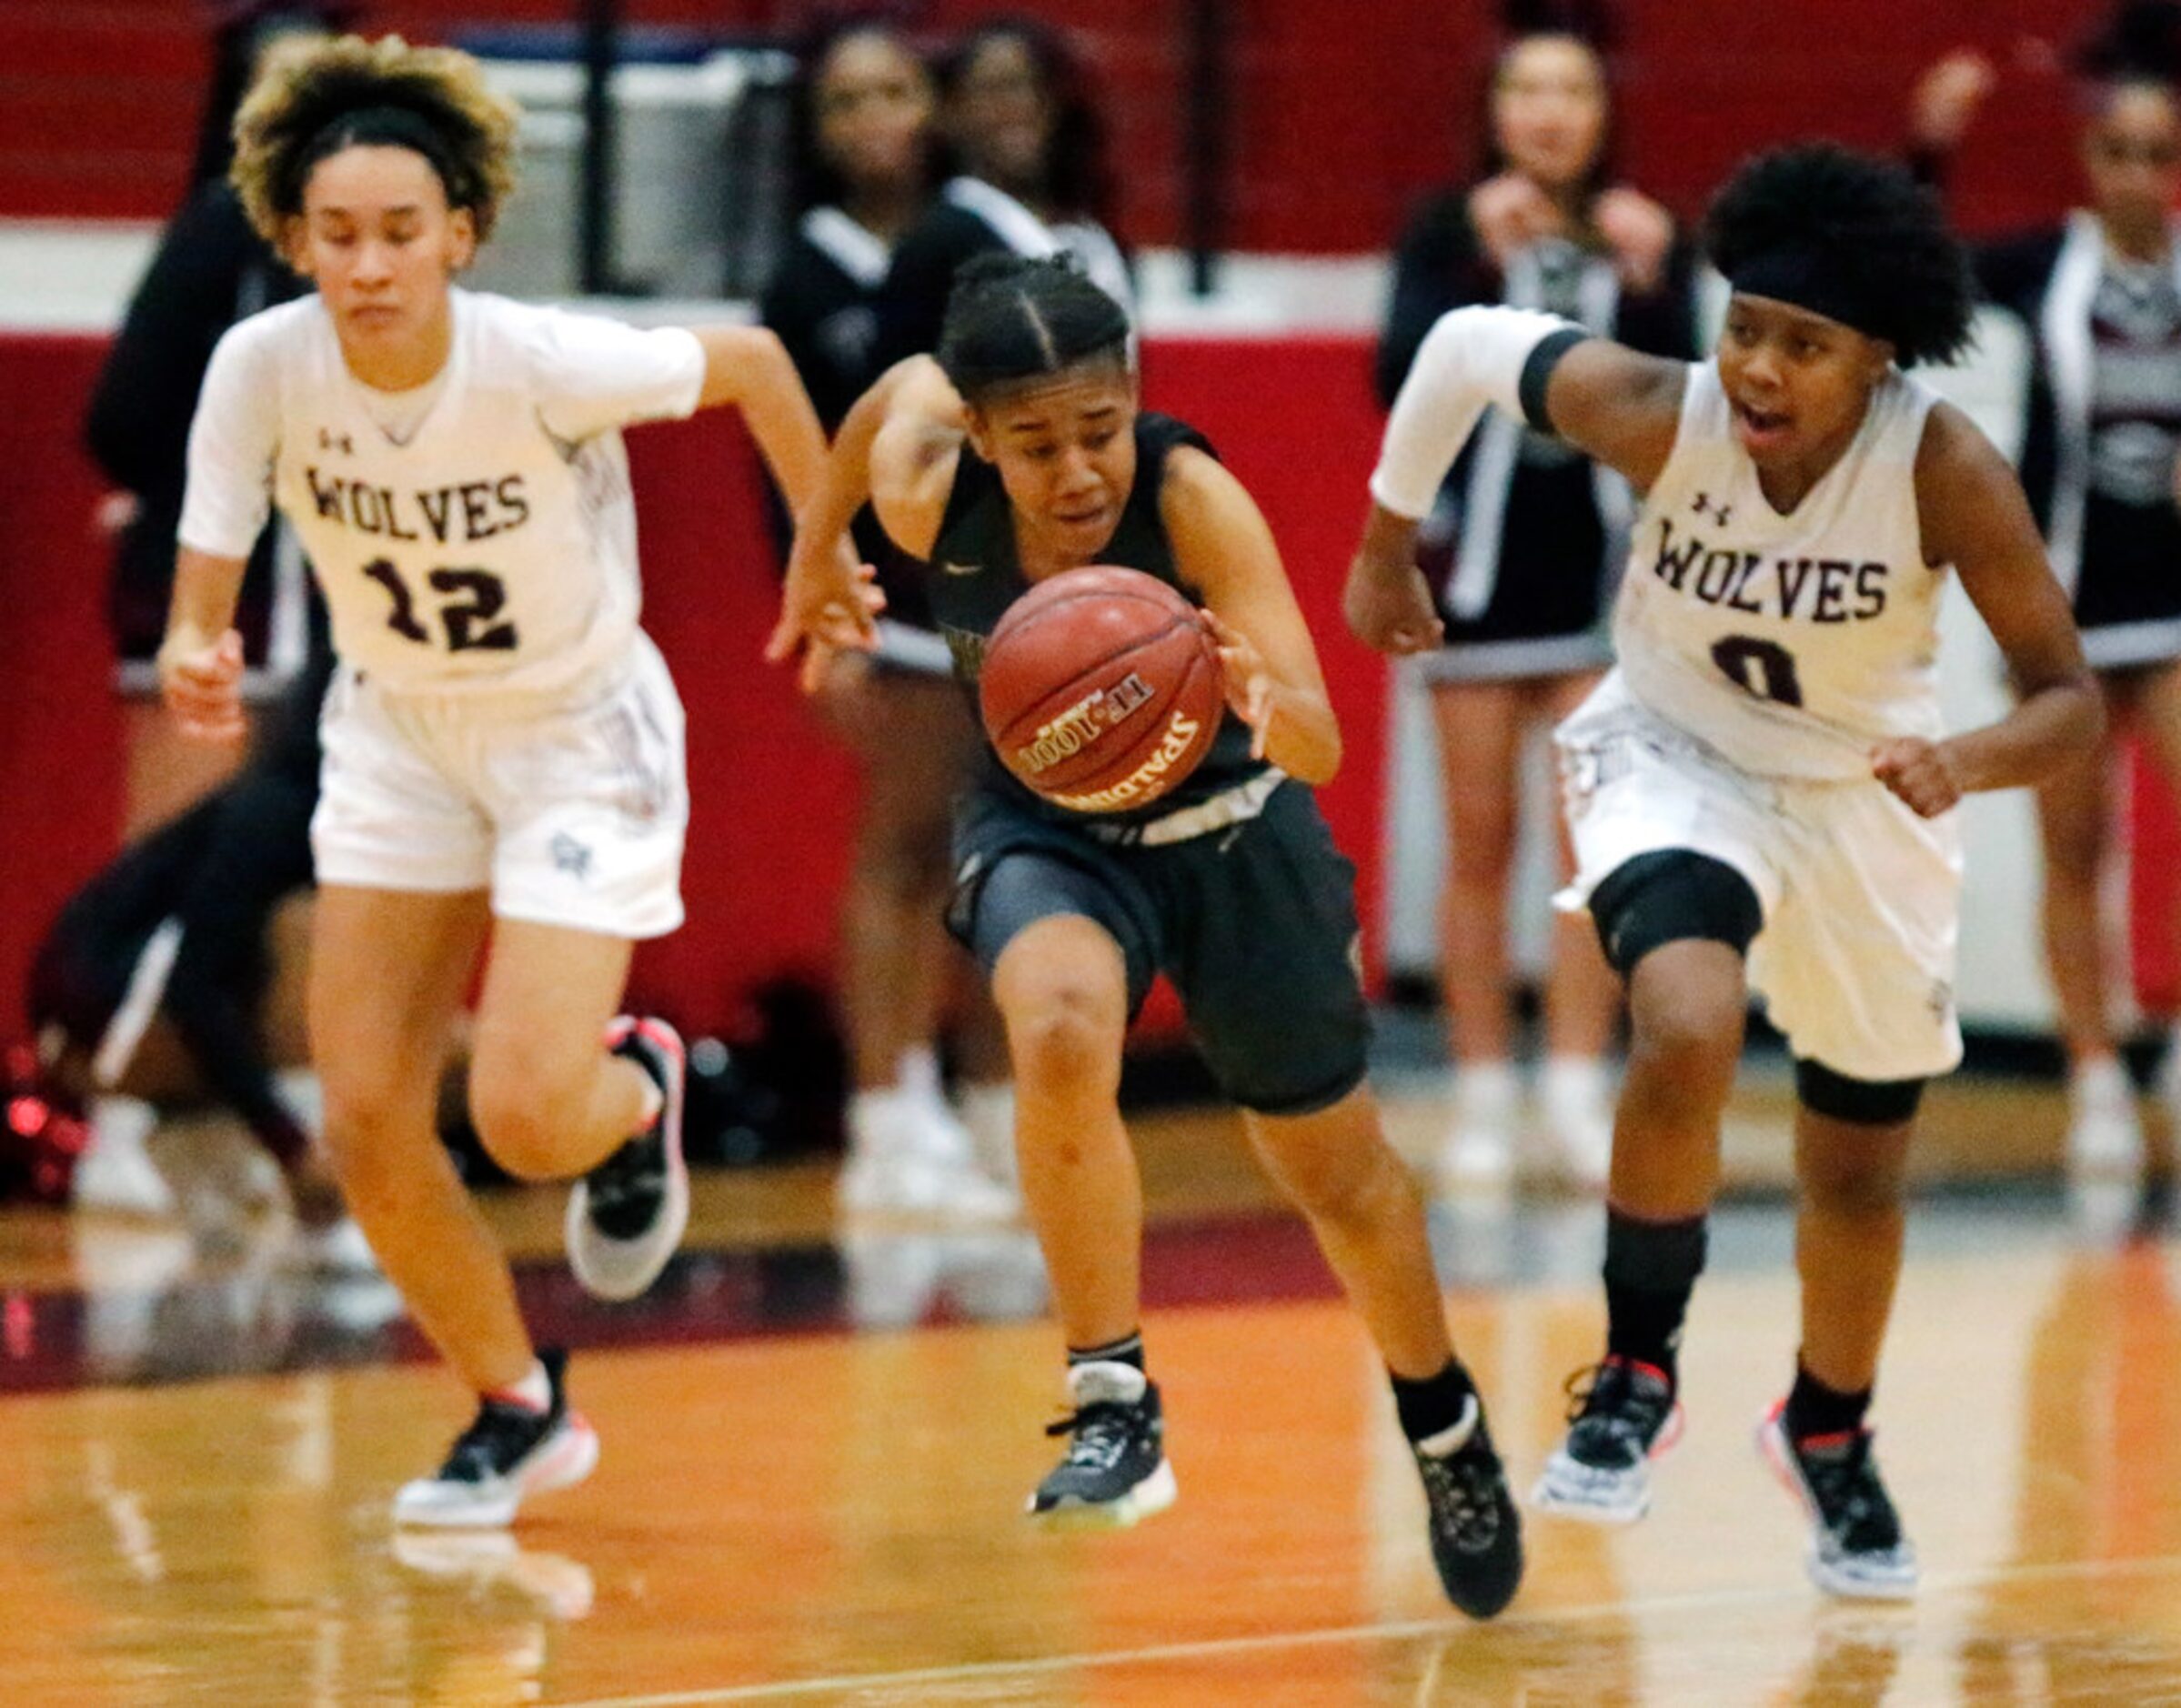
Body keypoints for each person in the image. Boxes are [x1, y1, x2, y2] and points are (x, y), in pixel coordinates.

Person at [1345, 145, 2101, 1599]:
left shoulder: (1943, 466)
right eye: (1742, 325)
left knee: (1858, 1171)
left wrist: (1973, 759)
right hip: (1671, 755)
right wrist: (1386, 545)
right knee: (1684, 1016)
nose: (1755, 367)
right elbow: (1455, 345)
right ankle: (1635, 1364)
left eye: (1800, 346)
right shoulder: (1656, 409)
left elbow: (2065, 693)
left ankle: (1825, 1427)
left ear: (1876, 361)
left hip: (1867, 795)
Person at [157, 32, 845, 1526]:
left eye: (402, 230)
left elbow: (753, 361)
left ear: (459, 231)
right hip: (399, 734)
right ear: (292, 236)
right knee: (363, 1113)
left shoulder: (532, 355)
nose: (370, 262)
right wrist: (196, 643)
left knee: (530, 1115)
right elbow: (206, 554)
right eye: (337, 234)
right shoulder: (260, 367)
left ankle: (635, 1083)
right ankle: (516, 1402)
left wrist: (816, 532)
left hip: (572, 734)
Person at [774, 253, 1523, 1620]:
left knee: (1339, 1176)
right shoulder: (930, 482)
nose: (1074, 473)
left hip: (1235, 828)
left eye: (1097, 430)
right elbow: (891, 389)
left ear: (1133, 400)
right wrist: (817, 545)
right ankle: (1109, 1390)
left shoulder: (1189, 498)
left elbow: (1319, 730)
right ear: (984, 434)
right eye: (1039, 443)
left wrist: (1259, 696)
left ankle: (1442, 1423)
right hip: (1047, 821)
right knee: (1055, 1021)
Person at [1375, 13, 1699, 1191]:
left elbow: (1686, 408)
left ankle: (1571, 1087)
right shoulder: (1441, 228)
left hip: (1596, 583)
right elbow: (1392, 380)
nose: (1550, 112)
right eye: (1527, 90)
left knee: (1591, 848)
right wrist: (1464, 255)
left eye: (1571, 90)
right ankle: (1477, 1093)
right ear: (1495, 110)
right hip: (1475, 583)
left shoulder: (1643, 232)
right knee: (1476, 842)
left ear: (1601, 112)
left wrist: (1659, 283)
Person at [1907, 4, 2181, 1178]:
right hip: (2060, 606)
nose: (2134, 174)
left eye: (2157, 155)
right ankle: (2092, 1072)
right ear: (2087, 160)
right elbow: (1911, 279)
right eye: (2116, 152)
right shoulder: (2041, 264)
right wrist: (1929, 149)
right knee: (2074, 849)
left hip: (2168, 603)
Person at [760, 15, 1016, 1221]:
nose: (874, 123)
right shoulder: (801, 273)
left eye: (895, 93)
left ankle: (980, 1108)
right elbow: (795, 471)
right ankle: (882, 1115)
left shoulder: (972, 238)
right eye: (845, 102)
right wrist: (827, 614)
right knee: (899, 847)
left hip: (992, 597)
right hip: (886, 607)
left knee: (990, 853)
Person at [84, 3, 351, 836]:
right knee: (183, 852)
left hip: (330, 596)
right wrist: (188, 486)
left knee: (303, 866)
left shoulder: (361, 242)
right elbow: (122, 417)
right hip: (225, 590)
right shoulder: (223, 230)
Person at [29, 634, 370, 1264]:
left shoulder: (330, 809)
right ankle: (188, 1138)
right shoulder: (278, 811)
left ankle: (201, 1138)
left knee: (334, 947)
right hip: (86, 1012)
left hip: (126, 999)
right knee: (304, 952)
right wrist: (290, 1143)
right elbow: (194, 983)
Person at [870, 16, 1132, 374]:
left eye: (1035, 86)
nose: (1020, 104)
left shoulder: (1092, 232)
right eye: (997, 89)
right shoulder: (936, 242)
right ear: (952, 110)